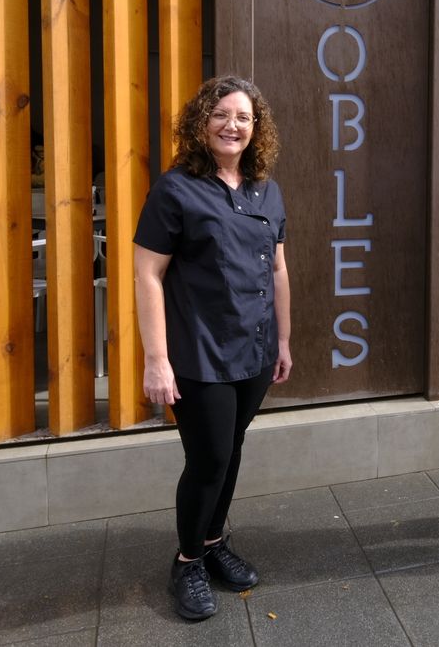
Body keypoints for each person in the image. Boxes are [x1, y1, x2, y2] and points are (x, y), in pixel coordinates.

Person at [134, 75, 293, 621]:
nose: (233, 125)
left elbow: (277, 268)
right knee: (209, 459)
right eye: (221, 114)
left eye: (244, 117)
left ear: (257, 128)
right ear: (201, 122)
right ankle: (188, 561)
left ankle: (213, 540)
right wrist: (157, 358)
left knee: (233, 448)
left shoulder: (265, 188)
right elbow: (147, 275)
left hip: (254, 348)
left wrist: (284, 338)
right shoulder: (175, 189)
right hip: (198, 350)